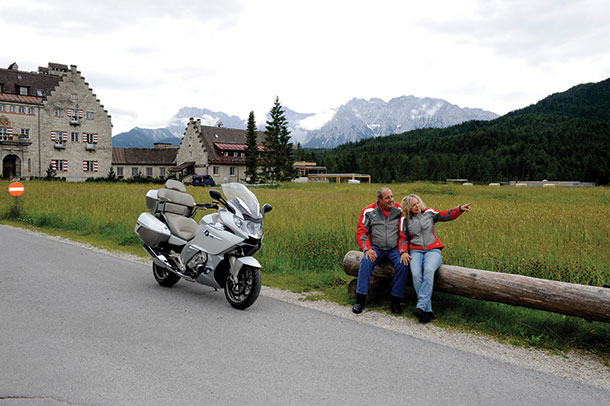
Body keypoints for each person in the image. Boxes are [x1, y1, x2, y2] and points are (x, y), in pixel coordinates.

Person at [399, 194, 471, 323]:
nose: (417, 206)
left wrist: (459, 209)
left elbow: (446, 215)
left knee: (428, 270)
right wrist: (403, 252)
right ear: (408, 208)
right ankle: (428, 310)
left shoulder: (429, 213)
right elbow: (403, 238)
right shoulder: (405, 220)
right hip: (416, 251)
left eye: (418, 203)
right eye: (413, 205)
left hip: (433, 250)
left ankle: (420, 306)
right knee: (416, 274)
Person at [353, 187, 409, 314]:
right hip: (376, 248)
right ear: (380, 200)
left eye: (392, 196)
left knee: (403, 263)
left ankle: (396, 300)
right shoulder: (369, 211)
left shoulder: (400, 210)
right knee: (366, 261)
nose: (391, 200)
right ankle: (360, 299)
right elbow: (362, 232)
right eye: (387, 198)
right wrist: (367, 249)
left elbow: (404, 233)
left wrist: (403, 251)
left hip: (394, 248)